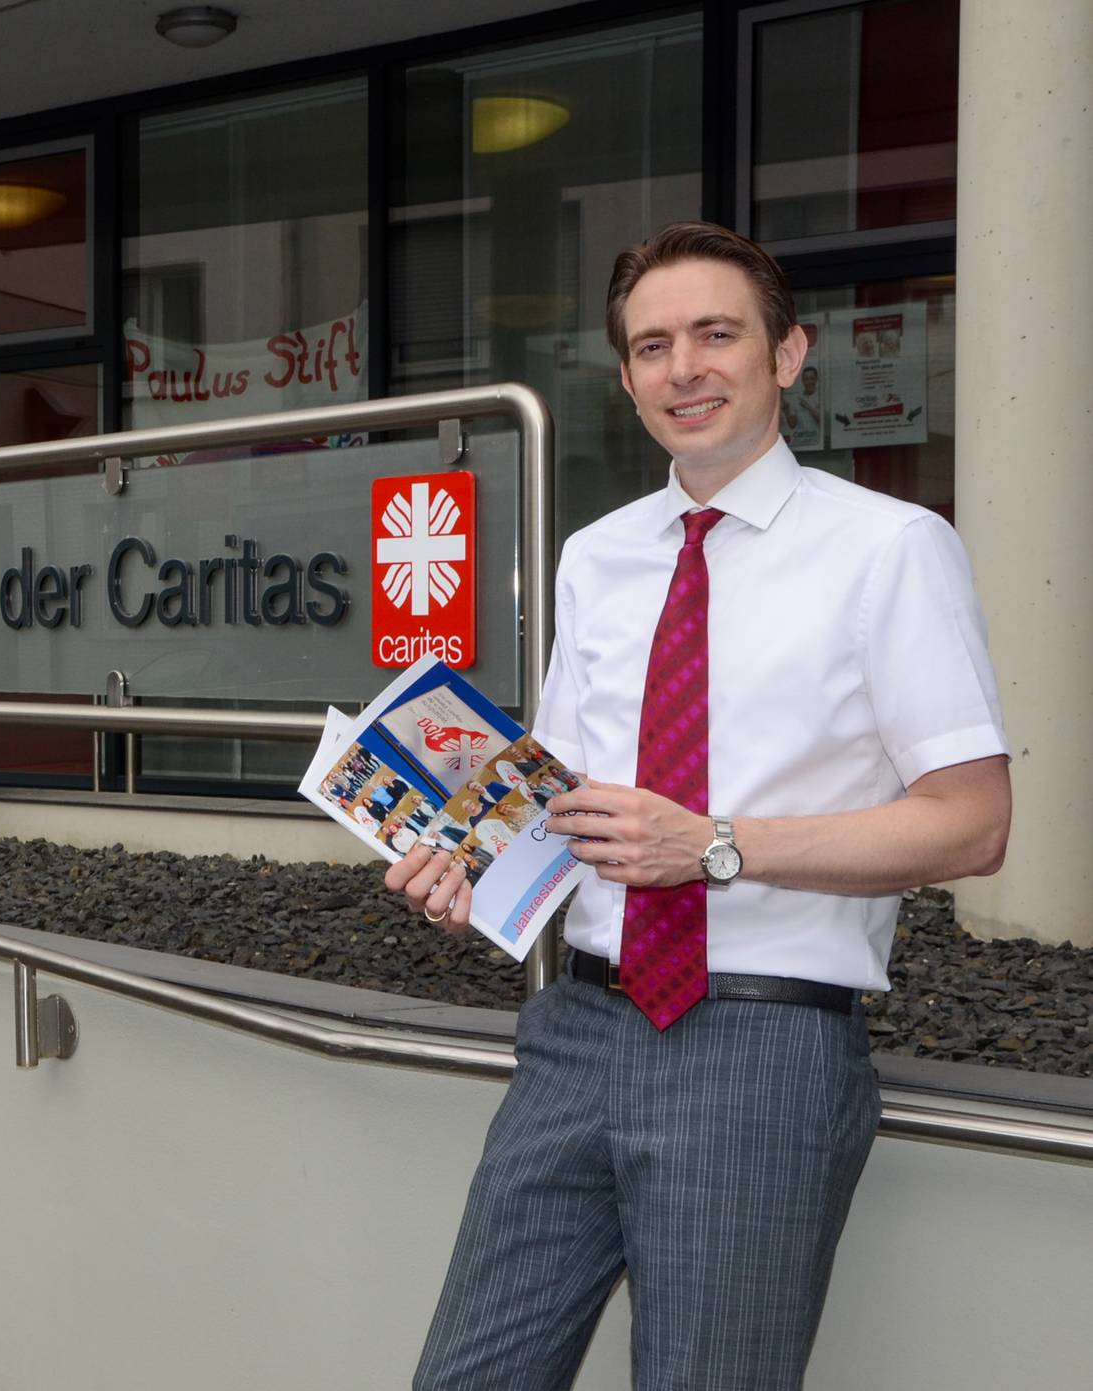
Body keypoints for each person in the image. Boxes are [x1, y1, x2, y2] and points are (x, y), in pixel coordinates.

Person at [387, 221, 1010, 1390]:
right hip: (576, 1031)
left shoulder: (893, 550)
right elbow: (563, 795)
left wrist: (714, 846)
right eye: (654, 345)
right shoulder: (597, 557)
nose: (686, 368)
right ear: (625, 379)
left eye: (717, 334)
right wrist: (471, 857)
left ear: (789, 354)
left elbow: (971, 821)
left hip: (762, 1041)